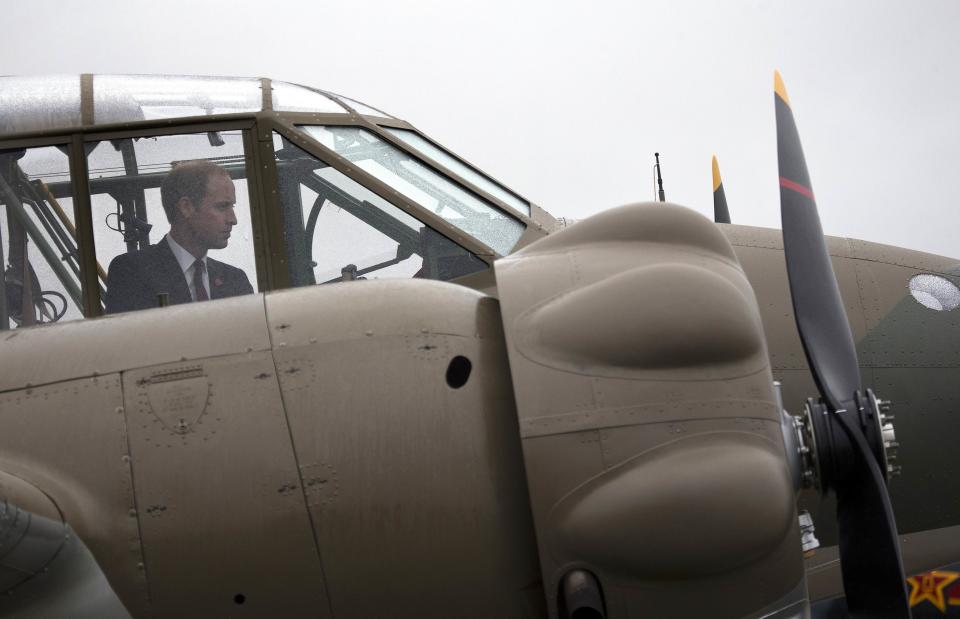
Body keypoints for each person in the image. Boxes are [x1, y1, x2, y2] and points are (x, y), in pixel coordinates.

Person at [104, 160, 253, 314]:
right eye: (222, 206)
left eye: (232, 207)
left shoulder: (235, 280)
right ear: (186, 207)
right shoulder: (132, 273)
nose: (233, 219)